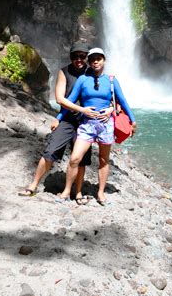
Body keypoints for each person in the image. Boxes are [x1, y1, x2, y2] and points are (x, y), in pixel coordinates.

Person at [18, 43, 112, 204]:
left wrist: (110, 109)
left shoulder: (93, 73)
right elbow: (60, 99)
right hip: (68, 118)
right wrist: (66, 115)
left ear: (87, 58)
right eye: (75, 56)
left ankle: (78, 192)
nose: (79, 60)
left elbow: (108, 96)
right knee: (51, 150)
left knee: (81, 159)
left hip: (87, 122)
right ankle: (33, 185)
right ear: (70, 57)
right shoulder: (64, 72)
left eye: (82, 56)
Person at [57, 47, 136, 205]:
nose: (95, 62)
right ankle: (66, 191)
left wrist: (133, 121)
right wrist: (58, 118)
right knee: (75, 159)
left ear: (104, 60)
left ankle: (100, 193)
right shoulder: (82, 80)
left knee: (103, 160)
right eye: (92, 59)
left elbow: (122, 101)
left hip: (106, 125)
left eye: (98, 59)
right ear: (89, 62)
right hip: (87, 125)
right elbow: (70, 101)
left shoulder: (112, 80)